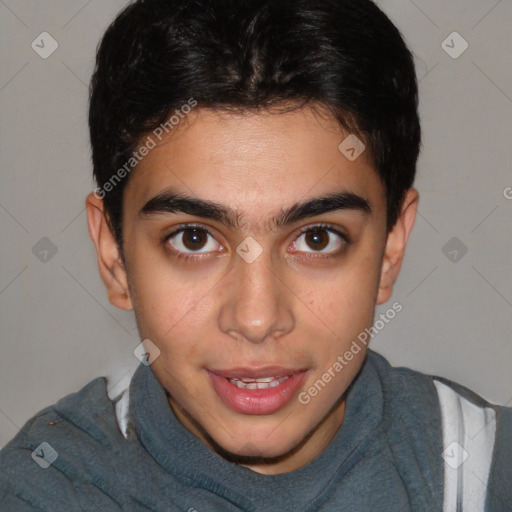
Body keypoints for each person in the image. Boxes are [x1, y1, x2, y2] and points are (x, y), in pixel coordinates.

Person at [1, 0, 510, 510]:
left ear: (390, 249)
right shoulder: (41, 490)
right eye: (194, 239)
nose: (257, 319)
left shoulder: (486, 474)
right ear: (113, 254)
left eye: (317, 238)